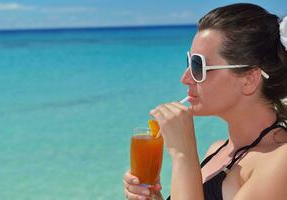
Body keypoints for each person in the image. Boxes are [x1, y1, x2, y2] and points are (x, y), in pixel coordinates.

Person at [123, 3, 287, 200]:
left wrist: (183, 154)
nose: (185, 78)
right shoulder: (217, 150)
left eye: (198, 65)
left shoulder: (280, 161)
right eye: (189, 62)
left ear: (249, 79)